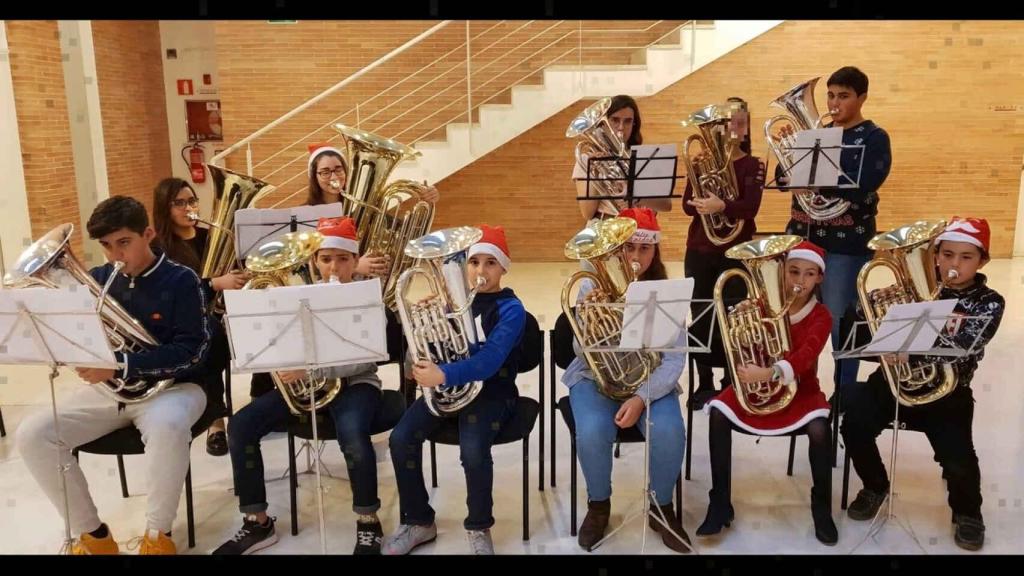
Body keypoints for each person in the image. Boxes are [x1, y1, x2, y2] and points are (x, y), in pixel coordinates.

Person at [16, 196, 213, 555]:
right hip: (115, 391)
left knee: (167, 426)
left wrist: (122, 364)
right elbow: (82, 338)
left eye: (124, 242)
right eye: (106, 246)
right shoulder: (98, 280)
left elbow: (193, 352)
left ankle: (157, 536)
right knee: (33, 434)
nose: (114, 255)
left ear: (148, 234)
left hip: (177, 388)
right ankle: (94, 537)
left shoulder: (182, 280)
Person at [213, 217, 392, 555]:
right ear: (314, 262)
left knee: (352, 433)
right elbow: (271, 342)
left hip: (355, 383)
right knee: (241, 425)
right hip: (305, 386)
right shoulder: (293, 297)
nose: (334, 267)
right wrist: (277, 364)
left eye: (343, 258)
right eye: (326, 259)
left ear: (356, 261)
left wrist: (311, 369)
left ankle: (368, 520)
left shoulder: (368, 298)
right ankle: (257, 522)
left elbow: (364, 359)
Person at [841, 217, 1004, 551]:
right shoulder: (910, 291)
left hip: (947, 390)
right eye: (947, 254)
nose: (953, 264)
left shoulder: (989, 302)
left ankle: (968, 513)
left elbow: (965, 347)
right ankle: (875, 486)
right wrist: (864, 312)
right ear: (935, 255)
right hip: (892, 383)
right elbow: (862, 342)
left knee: (958, 458)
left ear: (982, 260)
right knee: (853, 424)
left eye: (966, 257)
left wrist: (912, 356)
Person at [382, 225, 526, 555]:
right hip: (449, 386)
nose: (480, 271)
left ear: (503, 267)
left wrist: (442, 374)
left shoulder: (511, 309)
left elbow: (489, 361)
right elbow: (424, 357)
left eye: (490, 263)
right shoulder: (451, 304)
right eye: (474, 262)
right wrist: (426, 326)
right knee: (401, 438)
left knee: (473, 449)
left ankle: (479, 527)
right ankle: (418, 521)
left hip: (494, 390)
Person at [562, 207, 690, 553]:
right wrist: (588, 318)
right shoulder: (590, 285)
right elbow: (579, 349)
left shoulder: (665, 291)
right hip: (595, 377)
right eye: (628, 248)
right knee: (591, 431)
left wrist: (641, 398)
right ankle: (598, 505)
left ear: (655, 252)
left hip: (649, 379)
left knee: (670, 430)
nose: (635, 257)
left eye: (643, 249)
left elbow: (675, 357)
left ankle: (662, 507)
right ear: (616, 250)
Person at [698, 240, 838, 545]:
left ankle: (821, 507)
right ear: (783, 272)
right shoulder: (761, 305)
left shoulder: (821, 315)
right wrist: (742, 321)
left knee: (819, 430)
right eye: (793, 271)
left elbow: (806, 355)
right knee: (718, 415)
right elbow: (745, 349)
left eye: (808, 274)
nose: (799, 280)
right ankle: (720, 502)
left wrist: (772, 372)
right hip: (758, 390)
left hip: (799, 392)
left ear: (819, 278)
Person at [775, 66, 892, 398]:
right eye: (830, 94)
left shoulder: (873, 137)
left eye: (843, 95)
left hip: (845, 245)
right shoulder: (817, 134)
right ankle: (802, 389)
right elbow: (783, 181)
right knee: (796, 318)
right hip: (803, 240)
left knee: (842, 320)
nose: (834, 102)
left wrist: (820, 177)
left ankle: (844, 396)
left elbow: (867, 182)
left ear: (861, 98)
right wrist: (787, 153)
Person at [151, 177, 247, 456]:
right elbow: (172, 295)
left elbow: (232, 272)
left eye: (191, 201)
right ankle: (216, 423)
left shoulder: (211, 237)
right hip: (183, 324)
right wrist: (216, 284)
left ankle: (266, 400)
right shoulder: (159, 249)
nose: (187, 207)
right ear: (164, 209)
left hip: (221, 313)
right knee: (211, 337)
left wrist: (239, 276)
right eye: (178, 203)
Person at [681, 97, 766, 409]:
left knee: (735, 318)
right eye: (726, 122)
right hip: (700, 250)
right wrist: (702, 201)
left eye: (739, 122)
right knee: (702, 315)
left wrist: (723, 206)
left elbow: (750, 208)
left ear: (745, 128)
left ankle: (731, 381)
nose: (733, 128)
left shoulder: (754, 165)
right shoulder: (702, 161)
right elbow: (686, 205)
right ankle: (703, 383)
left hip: (735, 252)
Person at [572, 95, 672, 222]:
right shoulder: (587, 160)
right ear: (603, 123)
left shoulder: (646, 158)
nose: (621, 127)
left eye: (627, 121)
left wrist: (634, 193)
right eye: (615, 120)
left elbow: (666, 205)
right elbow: (587, 213)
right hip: (604, 227)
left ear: (634, 124)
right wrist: (595, 172)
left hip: (640, 229)